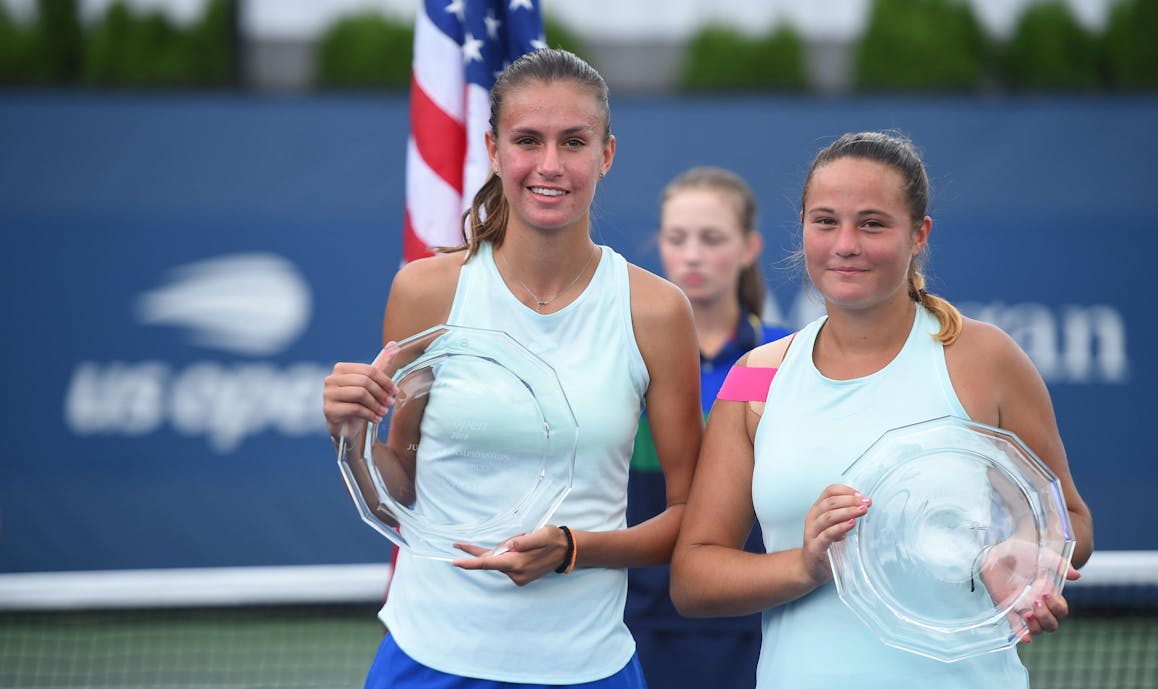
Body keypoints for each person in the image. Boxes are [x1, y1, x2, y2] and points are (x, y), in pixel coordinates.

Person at [322, 49, 703, 689]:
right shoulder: (424, 292)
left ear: (605, 155)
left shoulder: (657, 311)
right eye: (528, 141)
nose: (549, 165)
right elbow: (400, 490)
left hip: (588, 666)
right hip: (429, 658)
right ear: (494, 150)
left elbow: (692, 518)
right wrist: (349, 432)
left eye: (573, 142)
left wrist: (573, 549)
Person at [669, 131, 1094, 688]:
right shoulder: (756, 377)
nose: (846, 244)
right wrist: (806, 565)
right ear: (802, 226)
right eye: (825, 221)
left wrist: (1022, 551)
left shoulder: (984, 358)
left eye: (872, 223)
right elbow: (693, 578)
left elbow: (1070, 521)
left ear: (919, 235)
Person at [625, 167, 789, 689]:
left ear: (748, 248)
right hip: (632, 625)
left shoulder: (792, 356)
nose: (692, 255)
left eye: (712, 239)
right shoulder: (622, 355)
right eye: (677, 239)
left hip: (761, 623)